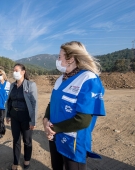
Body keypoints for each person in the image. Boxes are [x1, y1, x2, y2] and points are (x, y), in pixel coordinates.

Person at [43, 41, 106, 170]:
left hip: (73, 142)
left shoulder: (88, 79)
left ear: (70, 59)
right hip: (55, 136)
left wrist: (54, 128)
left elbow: (83, 120)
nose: (57, 59)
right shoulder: (60, 79)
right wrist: (45, 120)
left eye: (59, 56)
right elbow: (52, 103)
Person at [6, 63, 38, 170]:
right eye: (13, 71)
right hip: (14, 116)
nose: (14, 72)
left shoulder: (30, 85)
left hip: (26, 116)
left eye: (17, 70)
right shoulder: (12, 85)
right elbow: (9, 101)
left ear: (23, 72)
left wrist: (33, 121)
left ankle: (26, 161)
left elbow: (34, 104)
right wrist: (7, 114)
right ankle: (16, 161)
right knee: (16, 139)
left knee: (27, 141)